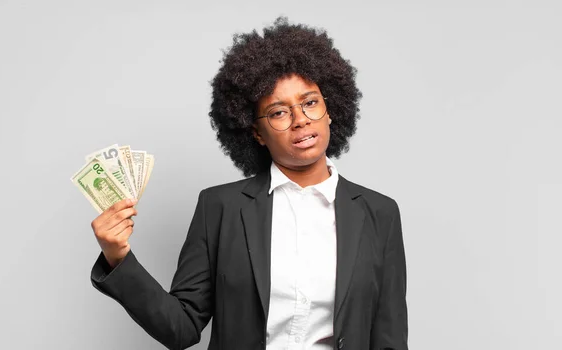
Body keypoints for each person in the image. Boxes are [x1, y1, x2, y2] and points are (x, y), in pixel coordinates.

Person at [89, 17, 408, 350]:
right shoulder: (220, 208)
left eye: (310, 103)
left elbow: (389, 338)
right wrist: (118, 258)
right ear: (256, 132)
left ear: (330, 111)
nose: (300, 120)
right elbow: (180, 327)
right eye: (278, 112)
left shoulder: (379, 213)